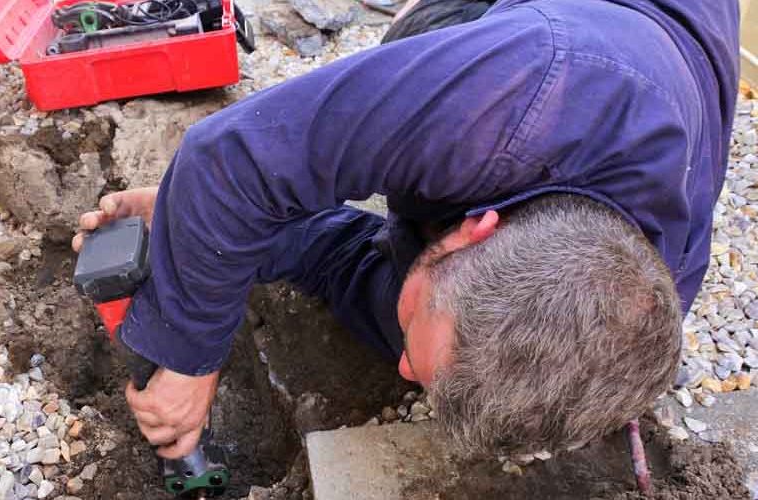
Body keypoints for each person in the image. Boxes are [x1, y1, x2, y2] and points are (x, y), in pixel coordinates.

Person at [73, 0, 741, 459]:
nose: (398, 368)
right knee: (413, 47)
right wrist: (190, 352)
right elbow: (229, 155)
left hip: (675, 39)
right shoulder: (497, 98)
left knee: (406, 324)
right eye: (417, 329)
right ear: (470, 231)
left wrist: (208, 226)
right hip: (557, 52)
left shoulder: (655, 295)